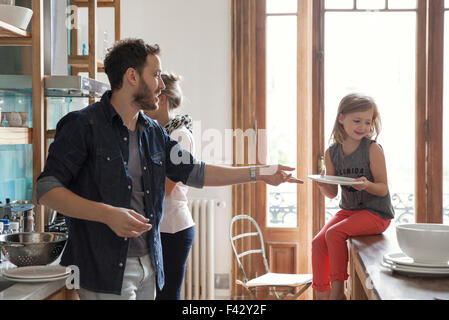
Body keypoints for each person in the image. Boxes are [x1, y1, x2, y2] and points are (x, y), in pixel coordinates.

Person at [36, 38, 302, 300]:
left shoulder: (152, 132)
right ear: (132, 76)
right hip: (104, 270)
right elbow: (47, 189)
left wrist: (259, 172)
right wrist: (107, 214)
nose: (162, 85)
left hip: (149, 265)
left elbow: (195, 171)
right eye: (156, 75)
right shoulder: (83, 125)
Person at [311, 93, 394, 300]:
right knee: (317, 242)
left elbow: (383, 189)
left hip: (377, 214)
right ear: (341, 118)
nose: (363, 127)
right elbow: (332, 193)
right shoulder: (332, 153)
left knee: (334, 233)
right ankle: (322, 294)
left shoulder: (372, 149)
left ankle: (338, 294)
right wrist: (322, 184)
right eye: (357, 121)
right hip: (349, 211)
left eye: (368, 122)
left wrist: (366, 185)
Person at [143, 73, 195, 300]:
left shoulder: (180, 135)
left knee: (168, 295)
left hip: (173, 228)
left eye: (149, 97)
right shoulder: (155, 132)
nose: (143, 106)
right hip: (158, 227)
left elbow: (167, 187)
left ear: (162, 99)